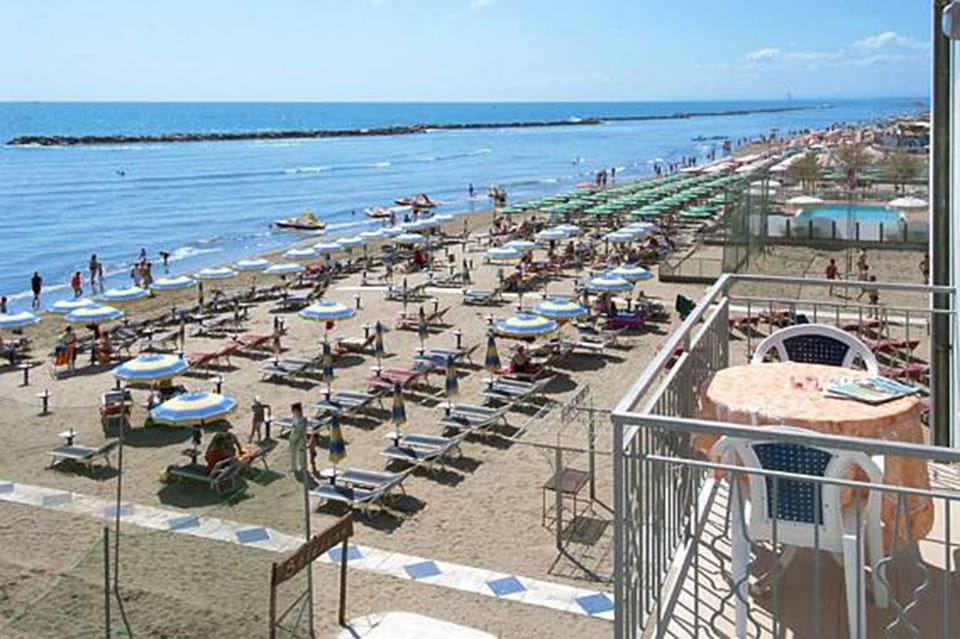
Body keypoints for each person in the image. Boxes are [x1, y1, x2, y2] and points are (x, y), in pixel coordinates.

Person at [288, 402, 307, 476]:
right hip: (293, 438)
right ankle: (294, 467)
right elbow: (293, 427)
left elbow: (300, 430)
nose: (292, 412)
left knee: (301, 454)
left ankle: (303, 468)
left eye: (293, 410)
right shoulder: (294, 418)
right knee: (293, 453)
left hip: (300, 439)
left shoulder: (303, 420)